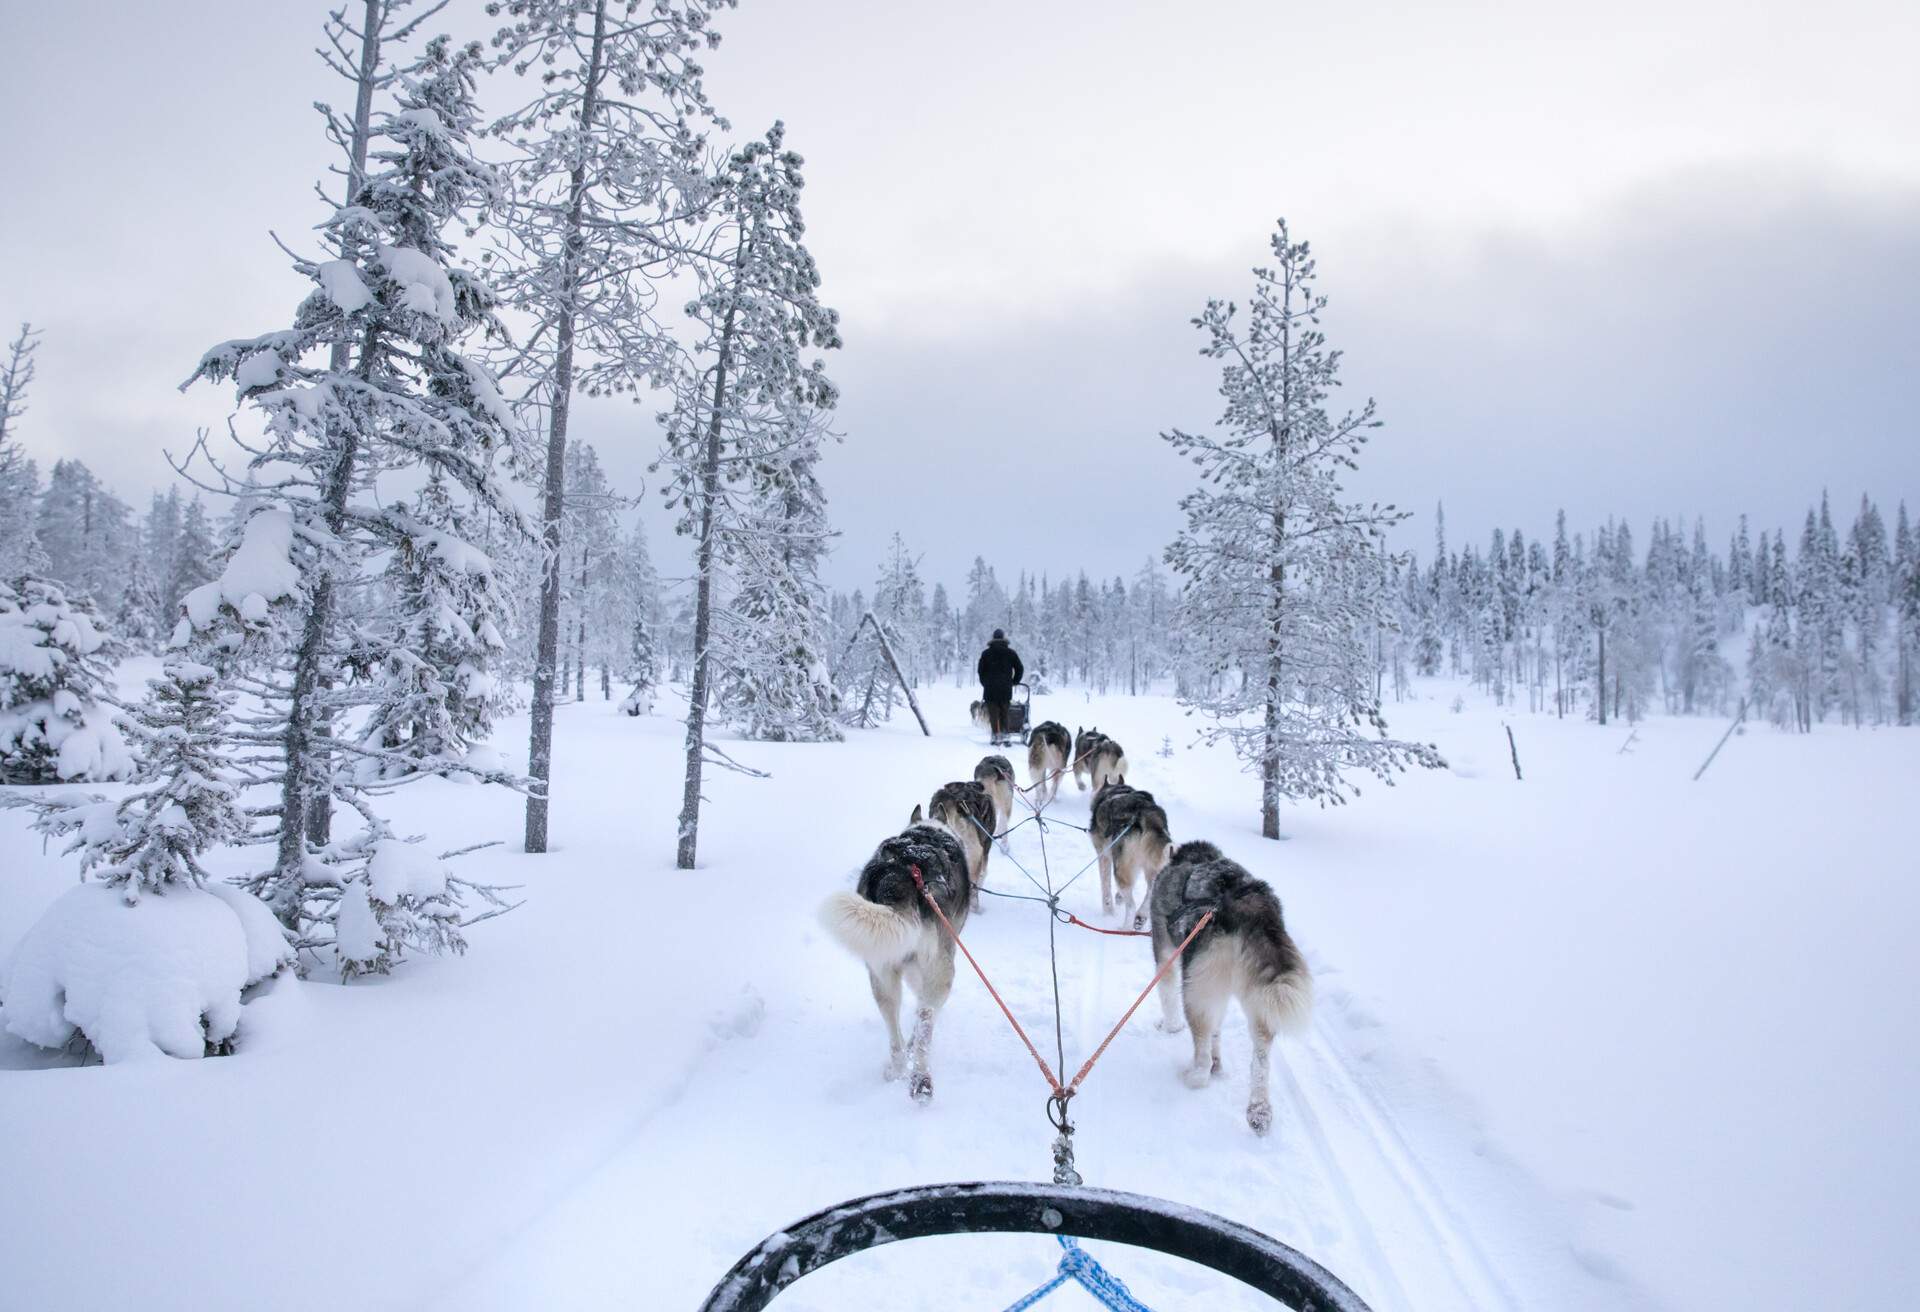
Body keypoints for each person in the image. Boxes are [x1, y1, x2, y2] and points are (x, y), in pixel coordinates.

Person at [977, 629, 1024, 744]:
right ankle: (1006, 736)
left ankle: (995, 736)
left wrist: (985, 683)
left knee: (993, 714)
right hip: (1005, 688)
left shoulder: (986, 653)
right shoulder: (1011, 653)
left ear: (993, 638)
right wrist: (1014, 681)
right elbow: (1020, 668)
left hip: (990, 689)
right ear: (1003, 638)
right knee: (1005, 712)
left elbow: (980, 671)